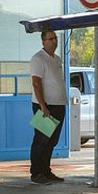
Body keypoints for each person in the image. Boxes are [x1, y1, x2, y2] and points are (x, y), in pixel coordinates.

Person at [29, 29, 68, 185]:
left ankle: (46, 170)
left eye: (55, 38)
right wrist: (43, 106)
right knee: (41, 140)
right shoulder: (38, 59)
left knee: (52, 141)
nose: (54, 41)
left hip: (58, 105)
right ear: (43, 41)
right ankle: (36, 172)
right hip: (44, 106)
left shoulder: (57, 59)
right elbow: (36, 83)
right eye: (51, 39)